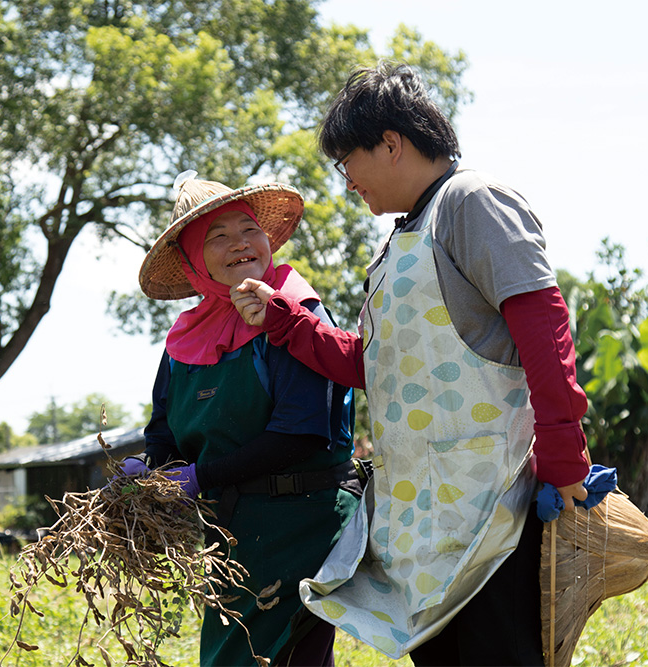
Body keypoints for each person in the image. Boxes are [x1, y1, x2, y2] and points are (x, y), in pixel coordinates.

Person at [230, 62, 591, 666]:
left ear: (391, 144)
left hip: (488, 506)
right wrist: (286, 322)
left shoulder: (474, 202)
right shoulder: (402, 239)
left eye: (348, 164)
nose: (349, 184)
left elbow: (544, 327)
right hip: (424, 519)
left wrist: (563, 458)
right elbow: (374, 368)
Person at [129, 170, 363, 667]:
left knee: (281, 656)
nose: (240, 243)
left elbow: (300, 432)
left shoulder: (293, 310)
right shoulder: (184, 338)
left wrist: (201, 476)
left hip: (304, 522)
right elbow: (165, 429)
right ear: (194, 263)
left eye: (247, 228)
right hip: (232, 536)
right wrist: (153, 470)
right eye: (217, 236)